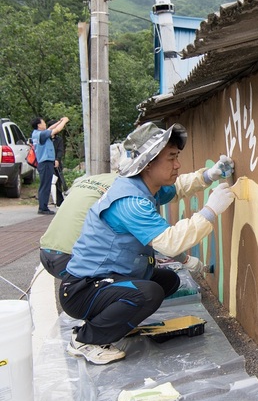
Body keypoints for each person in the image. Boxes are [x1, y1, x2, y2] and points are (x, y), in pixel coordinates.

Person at [60, 122, 235, 365]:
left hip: (104, 280)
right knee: (149, 293)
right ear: (148, 164)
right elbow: (171, 243)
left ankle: (110, 323)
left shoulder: (143, 186)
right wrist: (210, 211)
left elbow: (178, 188)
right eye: (171, 158)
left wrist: (209, 175)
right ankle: (86, 339)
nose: (178, 164)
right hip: (82, 289)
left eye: (177, 157)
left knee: (168, 280)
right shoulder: (130, 201)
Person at [39, 171, 206, 279]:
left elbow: (174, 189)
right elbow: (161, 239)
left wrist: (207, 176)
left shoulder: (98, 179)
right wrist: (185, 260)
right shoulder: (129, 195)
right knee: (137, 272)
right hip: (73, 260)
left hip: (46, 251)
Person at [31, 116, 69, 214]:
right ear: (39, 125)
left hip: (43, 162)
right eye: (43, 123)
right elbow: (56, 130)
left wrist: (59, 121)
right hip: (46, 162)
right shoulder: (41, 135)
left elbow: (51, 128)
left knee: (45, 184)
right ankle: (43, 208)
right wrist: (64, 121)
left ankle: (43, 206)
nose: (45, 124)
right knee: (45, 185)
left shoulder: (36, 133)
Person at [47, 119, 66, 206]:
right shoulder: (46, 139)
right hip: (47, 162)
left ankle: (59, 201)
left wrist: (57, 159)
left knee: (58, 181)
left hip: (56, 162)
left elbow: (60, 150)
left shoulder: (59, 139)